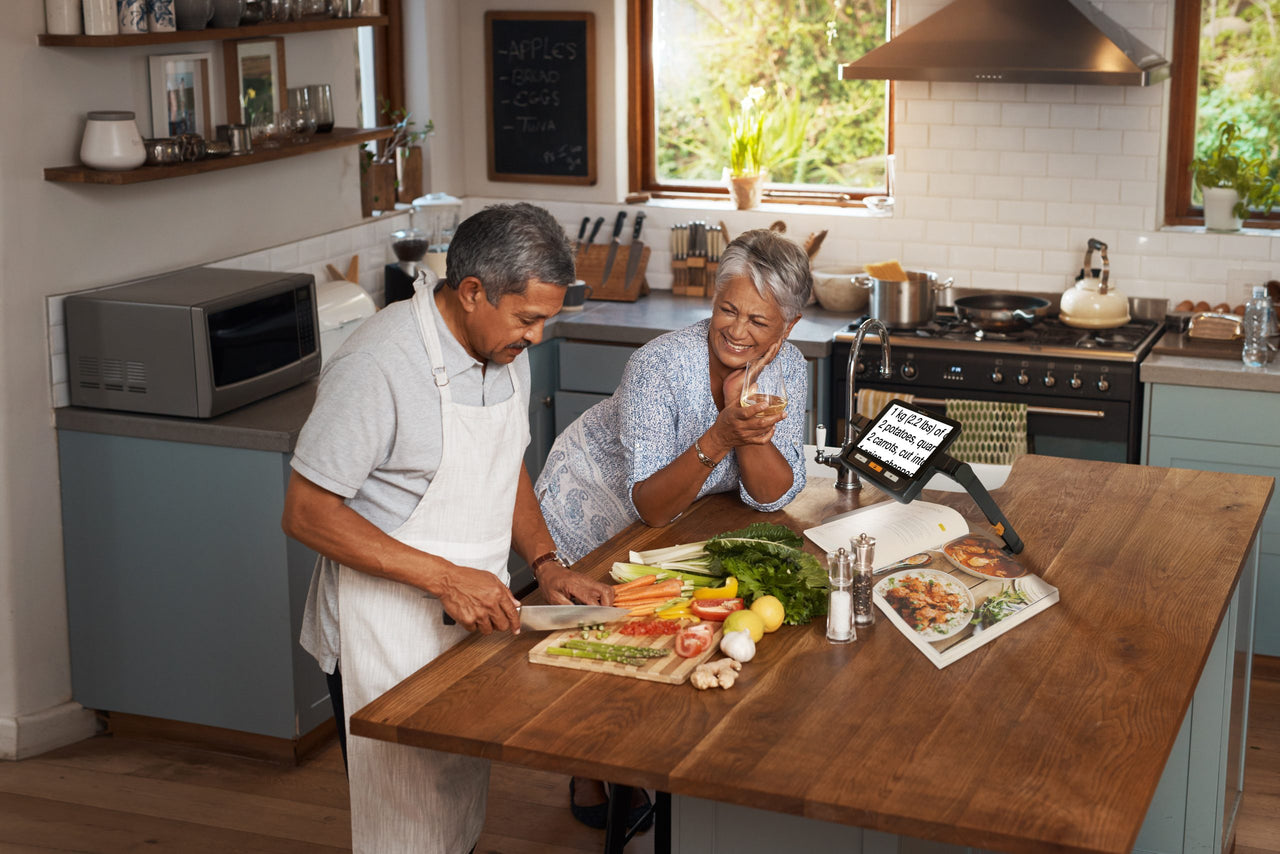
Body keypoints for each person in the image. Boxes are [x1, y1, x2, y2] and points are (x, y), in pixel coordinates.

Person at [281, 202, 614, 854]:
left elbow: (504, 462)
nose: (538, 337)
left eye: (547, 319)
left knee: (455, 807)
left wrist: (546, 564)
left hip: (469, 624)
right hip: (385, 634)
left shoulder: (504, 349)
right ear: (471, 293)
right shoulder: (378, 365)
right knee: (403, 831)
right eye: (529, 318)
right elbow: (305, 512)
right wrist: (442, 577)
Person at [534, 227, 812, 826]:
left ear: (788, 326)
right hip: (595, 501)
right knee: (609, 638)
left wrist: (742, 410)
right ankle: (592, 768)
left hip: (674, 514)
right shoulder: (659, 365)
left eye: (759, 322)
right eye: (727, 310)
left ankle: (637, 759)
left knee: (659, 634)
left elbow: (772, 495)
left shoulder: (789, 369)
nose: (738, 330)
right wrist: (721, 433)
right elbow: (650, 506)